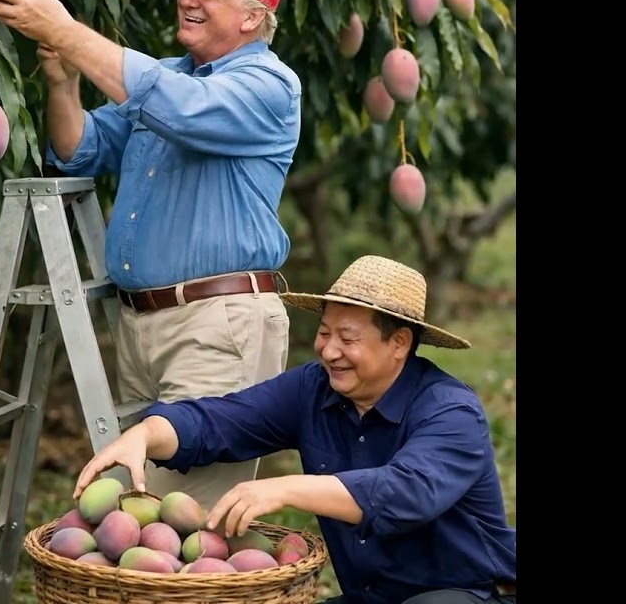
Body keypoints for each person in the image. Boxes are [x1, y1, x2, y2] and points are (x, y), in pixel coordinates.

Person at [0, 0, 303, 511]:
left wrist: (63, 29)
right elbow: (79, 151)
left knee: (187, 522)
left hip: (217, 325)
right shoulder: (168, 75)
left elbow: (179, 107)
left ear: (254, 15)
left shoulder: (269, 87)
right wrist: (63, 79)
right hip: (140, 326)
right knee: (143, 509)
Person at [72, 255, 517, 604]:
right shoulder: (313, 389)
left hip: (469, 594)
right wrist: (148, 433)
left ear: (399, 343)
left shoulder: (451, 412)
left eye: (348, 338)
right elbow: (224, 420)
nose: (329, 350)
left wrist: (282, 489)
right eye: (324, 333)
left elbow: (406, 492)